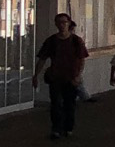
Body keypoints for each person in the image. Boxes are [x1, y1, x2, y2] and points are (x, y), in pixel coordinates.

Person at [34, 11, 88, 139]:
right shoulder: (52, 41)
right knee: (56, 103)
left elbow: (81, 59)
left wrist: (78, 76)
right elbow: (42, 58)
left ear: (69, 24)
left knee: (70, 104)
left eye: (64, 22)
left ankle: (68, 127)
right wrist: (36, 75)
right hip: (55, 77)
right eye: (59, 23)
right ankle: (56, 129)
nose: (62, 25)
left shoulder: (76, 41)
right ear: (56, 24)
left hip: (71, 78)